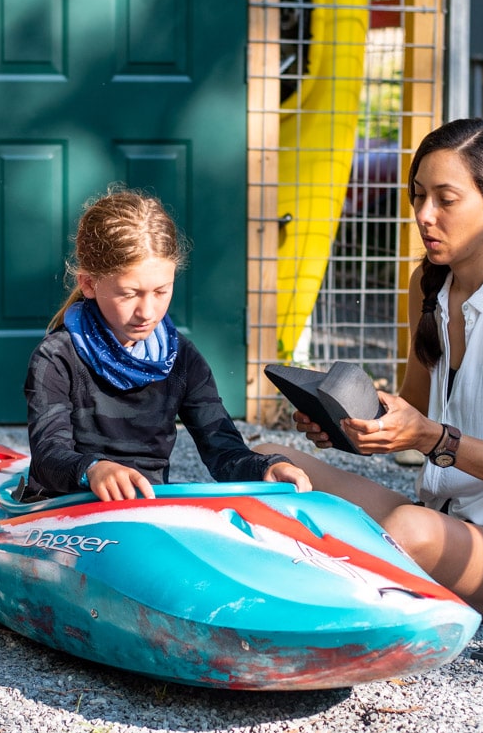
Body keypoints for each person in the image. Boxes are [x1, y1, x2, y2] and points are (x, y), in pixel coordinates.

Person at [256, 118, 483, 623]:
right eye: (418, 196)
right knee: (267, 458)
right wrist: (345, 428)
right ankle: (318, 576)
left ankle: (291, 599)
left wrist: (434, 439)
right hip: (440, 521)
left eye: (445, 199)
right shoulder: (427, 285)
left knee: (410, 529)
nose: (424, 215)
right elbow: (410, 417)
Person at [25, 188, 310, 501]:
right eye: (129, 294)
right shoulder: (57, 357)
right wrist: (93, 468)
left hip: (146, 511)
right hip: (62, 511)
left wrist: (265, 468)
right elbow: (48, 453)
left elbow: (225, 451)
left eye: (161, 292)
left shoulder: (181, 358)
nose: (147, 312)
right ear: (89, 284)